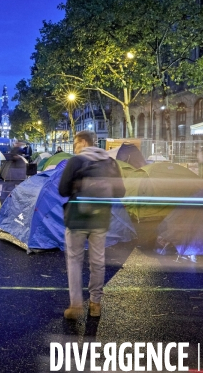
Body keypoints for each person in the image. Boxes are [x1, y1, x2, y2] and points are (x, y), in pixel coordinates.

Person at [58, 130, 125, 320]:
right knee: (97, 261)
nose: (75, 147)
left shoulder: (76, 161)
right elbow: (121, 192)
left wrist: (77, 187)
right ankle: (95, 304)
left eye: (76, 143)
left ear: (83, 142)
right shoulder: (110, 162)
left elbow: (62, 190)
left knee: (74, 261)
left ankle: (76, 305)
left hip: (77, 218)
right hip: (100, 219)